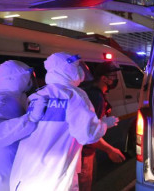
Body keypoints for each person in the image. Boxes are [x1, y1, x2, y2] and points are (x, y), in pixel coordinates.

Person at [10, 52, 119, 191]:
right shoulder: (73, 94)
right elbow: (87, 135)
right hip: (53, 178)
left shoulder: (37, 95)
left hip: (24, 175)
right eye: (77, 66)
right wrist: (104, 124)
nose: (80, 70)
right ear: (67, 69)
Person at [0, 60, 46, 191]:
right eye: (28, 76)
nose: (31, 81)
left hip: (4, 175)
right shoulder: (0, 100)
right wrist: (30, 119)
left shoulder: (9, 96)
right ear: (19, 78)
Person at [78, 61, 126, 191]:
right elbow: (91, 134)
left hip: (83, 151)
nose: (116, 79)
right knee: (84, 186)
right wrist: (111, 150)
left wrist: (102, 123)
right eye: (113, 76)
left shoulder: (90, 90)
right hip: (83, 153)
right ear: (104, 78)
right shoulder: (96, 97)